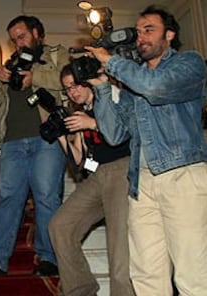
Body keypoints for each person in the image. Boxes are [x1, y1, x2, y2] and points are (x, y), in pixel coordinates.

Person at [86, 5, 207, 295]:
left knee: (192, 274)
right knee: (146, 275)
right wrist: (102, 87)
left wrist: (112, 62)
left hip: (182, 175)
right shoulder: (133, 81)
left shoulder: (189, 63)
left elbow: (157, 87)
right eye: (138, 32)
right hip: (141, 183)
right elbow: (115, 135)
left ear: (170, 34)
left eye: (149, 30)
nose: (140, 37)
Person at [0, 15, 69, 278]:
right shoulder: (11, 64)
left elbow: (66, 80)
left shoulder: (57, 54)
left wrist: (34, 76)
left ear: (37, 33)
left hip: (47, 139)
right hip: (11, 142)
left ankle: (49, 258)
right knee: (7, 200)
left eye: (22, 36)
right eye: (14, 40)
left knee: (46, 198)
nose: (18, 44)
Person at [48, 64, 135, 296]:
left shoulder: (111, 97)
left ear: (87, 81)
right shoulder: (79, 113)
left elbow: (122, 132)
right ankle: (81, 290)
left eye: (76, 85)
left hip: (121, 169)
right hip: (96, 175)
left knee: (119, 247)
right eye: (67, 89)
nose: (72, 92)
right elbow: (78, 161)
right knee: (60, 226)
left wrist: (92, 123)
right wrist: (60, 137)